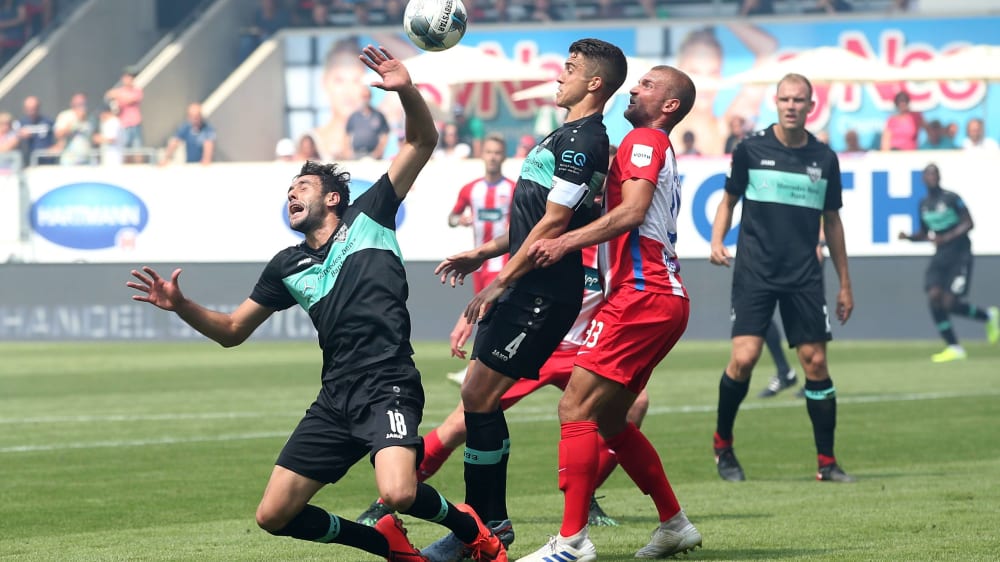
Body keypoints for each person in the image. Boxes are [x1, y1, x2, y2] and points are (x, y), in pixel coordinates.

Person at [126, 45, 506, 562]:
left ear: (332, 198)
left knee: (399, 492)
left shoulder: (371, 215)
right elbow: (233, 330)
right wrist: (182, 305)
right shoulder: (286, 265)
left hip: (388, 382)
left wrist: (406, 91)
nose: (291, 194)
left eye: (301, 186)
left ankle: (472, 531)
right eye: (288, 189)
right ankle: (385, 544)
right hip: (335, 397)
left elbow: (422, 140)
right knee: (274, 515)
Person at [427, 38, 627, 562]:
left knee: (479, 396)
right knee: (477, 396)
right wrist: (483, 253)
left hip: (541, 292)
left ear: (594, 83)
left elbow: (556, 224)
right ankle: (485, 522)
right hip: (527, 284)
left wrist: (498, 282)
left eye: (570, 69)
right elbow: (534, 218)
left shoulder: (586, 141)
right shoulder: (565, 135)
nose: (559, 76)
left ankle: (482, 525)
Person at [517, 64, 700, 562]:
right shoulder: (650, 145)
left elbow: (632, 212)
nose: (634, 88)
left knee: (574, 408)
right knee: (612, 418)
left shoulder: (645, 138)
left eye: (647, 85)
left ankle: (572, 541)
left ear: (669, 105)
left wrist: (564, 242)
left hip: (642, 295)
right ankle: (674, 523)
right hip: (661, 297)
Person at [357, 244, 652, 537]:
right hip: (534, 343)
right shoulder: (558, 233)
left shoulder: (613, 242)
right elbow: (515, 269)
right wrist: (471, 314)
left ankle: (586, 496)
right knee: (460, 423)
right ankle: (386, 500)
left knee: (635, 405)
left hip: (583, 351)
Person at [709, 73, 856, 484]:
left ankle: (827, 463)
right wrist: (717, 240)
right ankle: (723, 445)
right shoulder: (750, 149)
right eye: (785, 99)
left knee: (816, 363)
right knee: (744, 358)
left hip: (804, 275)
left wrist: (845, 283)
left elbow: (833, 221)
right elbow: (728, 201)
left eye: (799, 100)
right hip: (755, 271)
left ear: (811, 106)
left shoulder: (824, 158)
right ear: (775, 102)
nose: (792, 106)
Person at [898, 163, 999, 362]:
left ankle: (988, 316)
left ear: (939, 177)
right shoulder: (924, 204)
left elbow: (969, 223)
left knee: (950, 303)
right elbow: (925, 233)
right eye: (929, 174)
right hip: (941, 255)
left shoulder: (951, 198)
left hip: (960, 254)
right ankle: (953, 347)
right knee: (934, 297)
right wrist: (909, 237)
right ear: (923, 179)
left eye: (935, 174)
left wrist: (947, 237)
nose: (932, 177)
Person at [674, 25, 777, 156]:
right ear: (678, 73)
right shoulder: (663, 130)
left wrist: (726, 17)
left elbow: (767, 48)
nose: (706, 81)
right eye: (695, 72)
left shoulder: (729, 126)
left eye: (713, 72)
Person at [104, 67, 144, 158]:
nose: (130, 79)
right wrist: (118, 97)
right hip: (123, 125)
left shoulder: (137, 91)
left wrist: (118, 96)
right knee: (125, 152)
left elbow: (129, 99)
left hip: (135, 124)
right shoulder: (120, 91)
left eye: (131, 77)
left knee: (137, 150)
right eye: (128, 77)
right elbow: (108, 95)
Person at [346, 86, 390, 159]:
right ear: (360, 97)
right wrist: (349, 153)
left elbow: (385, 135)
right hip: (356, 155)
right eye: (364, 96)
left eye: (367, 96)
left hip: (373, 155)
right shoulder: (354, 116)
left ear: (371, 97)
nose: (365, 99)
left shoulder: (379, 115)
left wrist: (378, 152)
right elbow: (347, 136)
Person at [53, 92, 95, 165]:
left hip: (87, 159)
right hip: (70, 160)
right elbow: (58, 134)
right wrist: (75, 123)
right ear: (72, 104)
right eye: (79, 104)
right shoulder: (65, 115)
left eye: (83, 104)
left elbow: (92, 138)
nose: (81, 107)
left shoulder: (89, 119)